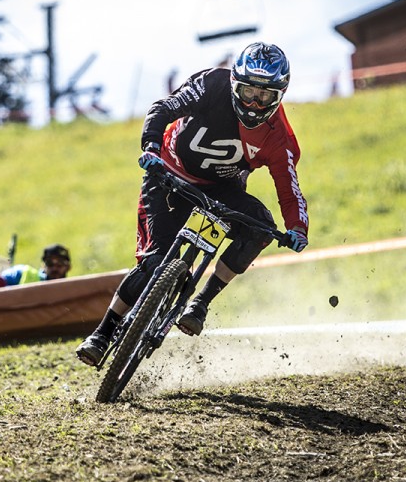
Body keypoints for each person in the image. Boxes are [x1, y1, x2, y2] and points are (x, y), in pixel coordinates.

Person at [76, 42, 309, 366]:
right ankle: (103, 332)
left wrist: (297, 227)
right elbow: (162, 109)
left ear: (279, 95)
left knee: (261, 226)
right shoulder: (212, 83)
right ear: (233, 83)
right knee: (153, 263)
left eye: (265, 96)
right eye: (247, 91)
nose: (254, 103)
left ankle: (200, 303)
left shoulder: (278, 136)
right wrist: (151, 148)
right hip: (167, 175)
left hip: (221, 191)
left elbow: (288, 187)